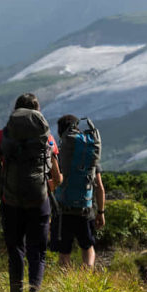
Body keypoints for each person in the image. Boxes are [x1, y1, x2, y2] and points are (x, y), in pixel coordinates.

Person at [0, 93, 62, 292]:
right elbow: (58, 176)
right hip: (39, 202)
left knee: (15, 248)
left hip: (11, 201)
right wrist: (48, 187)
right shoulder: (48, 138)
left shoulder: (1, 136)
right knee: (38, 251)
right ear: (38, 112)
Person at [52, 114, 105, 269]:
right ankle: (87, 273)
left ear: (61, 133)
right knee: (88, 247)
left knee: (64, 253)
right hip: (84, 209)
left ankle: (66, 286)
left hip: (63, 210)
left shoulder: (60, 154)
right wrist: (101, 212)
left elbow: (53, 181)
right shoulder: (88, 155)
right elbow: (99, 187)